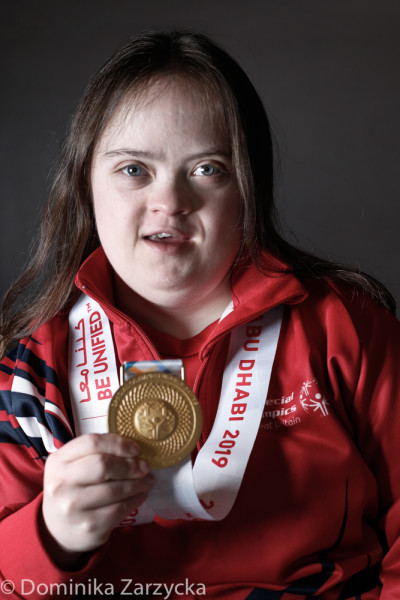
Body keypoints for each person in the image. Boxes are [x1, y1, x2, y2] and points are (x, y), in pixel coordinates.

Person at [0, 30, 399, 600]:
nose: (170, 201)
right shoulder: (29, 369)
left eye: (208, 168)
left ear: (248, 189)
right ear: (87, 184)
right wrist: (49, 536)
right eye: (134, 169)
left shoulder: (347, 330)